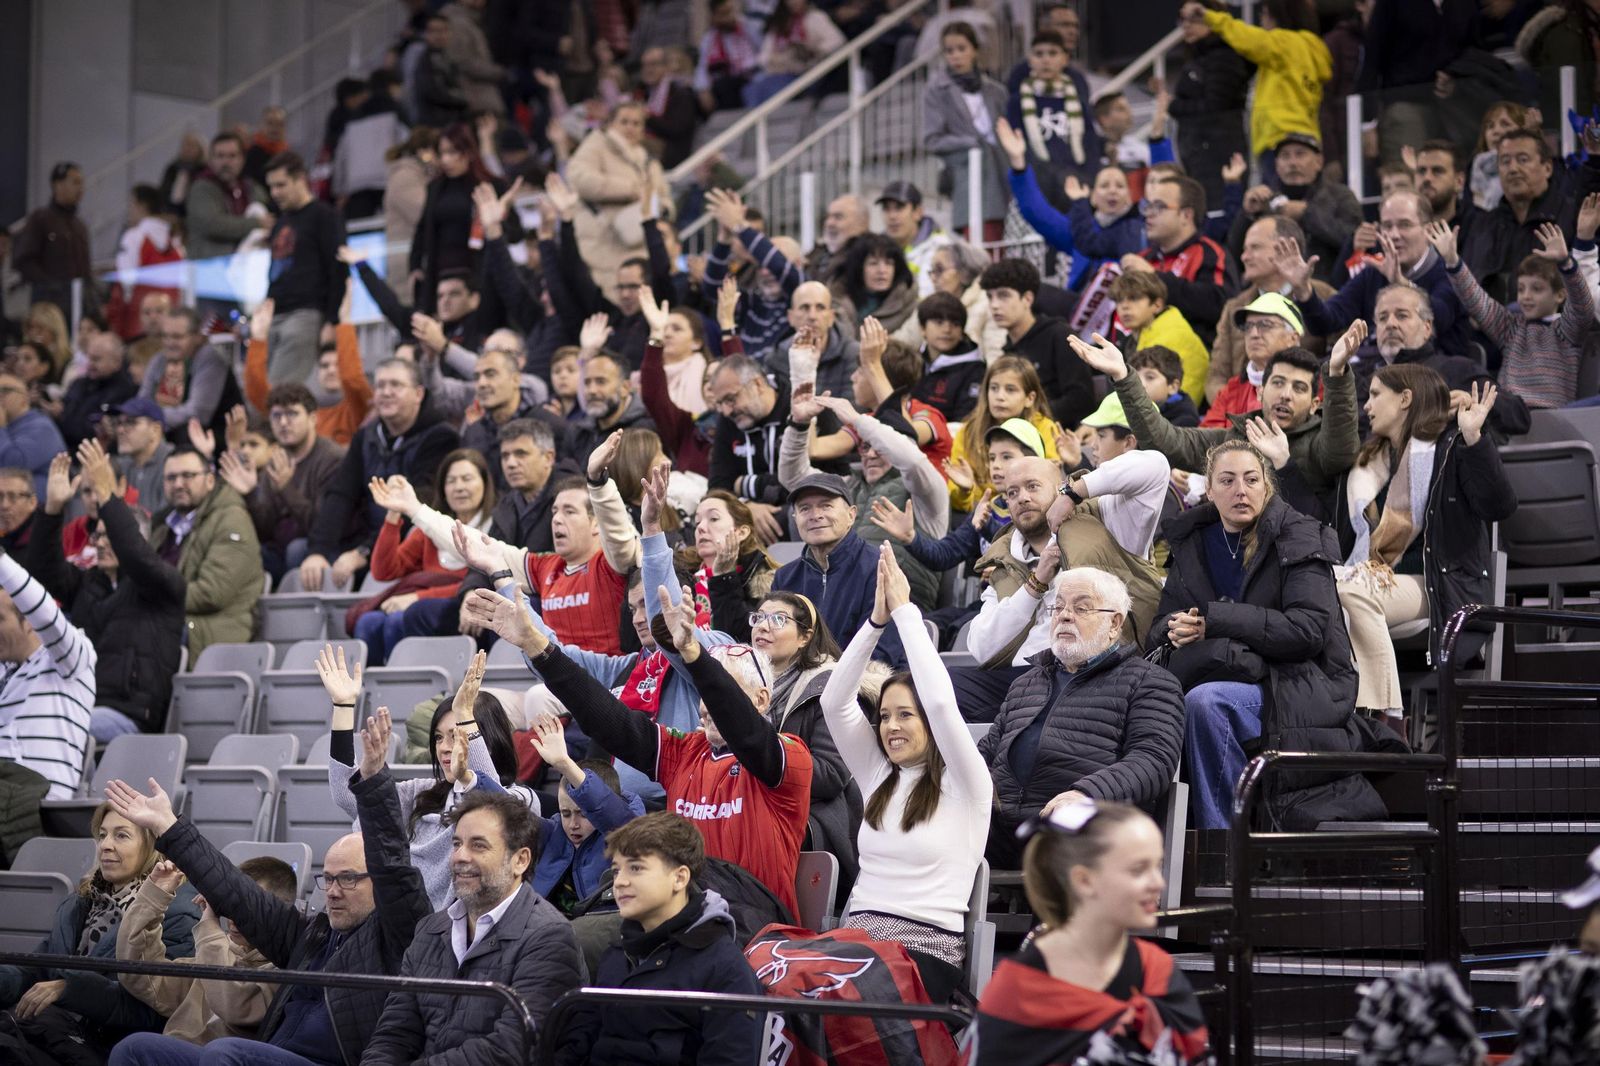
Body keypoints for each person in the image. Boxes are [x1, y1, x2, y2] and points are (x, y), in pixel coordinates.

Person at [462, 574, 815, 918]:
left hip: (752, 921)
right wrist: (538, 648)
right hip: (676, 915)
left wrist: (692, 654)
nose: (707, 705)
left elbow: (745, 730)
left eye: (719, 692)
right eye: (703, 694)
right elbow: (607, 717)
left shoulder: (788, 757)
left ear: (761, 700)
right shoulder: (684, 752)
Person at [101, 714, 433, 1066]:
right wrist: (169, 827)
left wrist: (374, 786)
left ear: (377, 883)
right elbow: (236, 892)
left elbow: (395, 870)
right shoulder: (311, 936)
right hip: (272, 1056)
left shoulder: (400, 936)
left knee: (225, 1053)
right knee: (136, 1049)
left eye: (348, 879)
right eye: (328, 879)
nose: (333, 891)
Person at [1152, 440, 1387, 830]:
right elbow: (1161, 624)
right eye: (1227, 481)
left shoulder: (1298, 535)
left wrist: (1218, 620)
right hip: (1220, 671)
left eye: (1251, 480)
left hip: (1299, 683)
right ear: (1209, 490)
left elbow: (1308, 631)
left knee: (1206, 704)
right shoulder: (1193, 541)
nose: (1240, 490)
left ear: (1267, 486)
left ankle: (1223, 843)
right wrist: (1175, 629)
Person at [820, 546, 991, 1001]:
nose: (891, 726)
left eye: (905, 715)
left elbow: (940, 702)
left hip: (923, 953)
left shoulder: (967, 782)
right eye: (884, 716)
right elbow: (833, 702)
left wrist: (905, 613)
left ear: (930, 723)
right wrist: (876, 622)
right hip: (857, 944)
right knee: (774, 975)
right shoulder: (879, 775)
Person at [1334, 367, 1515, 729]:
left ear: (1405, 399)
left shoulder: (1451, 448)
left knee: (1351, 590)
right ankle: (1339, 717)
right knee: (1320, 589)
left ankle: (1386, 717)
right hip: (1377, 580)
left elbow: (1499, 505)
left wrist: (1474, 438)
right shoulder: (1370, 463)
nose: (1367, 405)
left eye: (1375, 395)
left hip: (1438, 586)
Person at [967, 800, 1210, 1064]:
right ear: (1084, 880)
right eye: (1138, 870)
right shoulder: (1017, 988)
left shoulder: (1158, 970)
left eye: (1157, 866)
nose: (1158, 883)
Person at [977, 568, 1185, 866]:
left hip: (1083, 826)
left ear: (1114, 623)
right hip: (999, 826)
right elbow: (986, 751)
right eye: (1058, 607)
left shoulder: (1150, 682)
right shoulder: (1026, 683)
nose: (1064, 616)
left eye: (1081, 608)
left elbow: (1153, 760)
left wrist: (1086, 794)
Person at [361, 789, 581, 1066]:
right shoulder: (430, 930)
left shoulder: (549, 937)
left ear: (520, 860)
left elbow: (510, 1051)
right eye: (456, 844)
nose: (459, 857)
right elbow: (393, 1034)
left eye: (478, 845)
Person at [1079, 326, 1361, 522]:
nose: (1286, 394)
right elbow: (1165, 440)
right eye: (1278, 383)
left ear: (1314, 404)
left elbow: (1341, 451)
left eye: (1299, 388)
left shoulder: (1320, 442)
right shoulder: (1233, 438)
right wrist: (1123, 376)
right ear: (1260, 392)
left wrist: (1336, 374)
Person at [555, 811, 764, 1066]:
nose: (619, 882)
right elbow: (579, 1043)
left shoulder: (725, 970)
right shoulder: (617, 954)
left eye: (636, 868)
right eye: (616, 870)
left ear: (679, 878)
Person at [0, 803, 200, 1055]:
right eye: (102, 835)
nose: (105, 845)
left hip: (111, 1046)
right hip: (52, 1031)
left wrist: (68, 989)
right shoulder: (81, 902)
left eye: (121, 835)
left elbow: (156, 1010)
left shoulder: (177, 914)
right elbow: (38, 969)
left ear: (154, 846)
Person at [29, 446, 183, 739]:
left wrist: (108, 496)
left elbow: (135, 555)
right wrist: (52, 510)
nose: (100, 543)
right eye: (97, 535)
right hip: (80, 705)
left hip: (129, 715)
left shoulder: (162, 585)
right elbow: (43, 571)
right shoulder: (88, 583)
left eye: (109, 536)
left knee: (53, 731)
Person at [300, 359, 460, 592]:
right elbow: (341, 495)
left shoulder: (442, 438)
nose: (386, 392)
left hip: (413, 543)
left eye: (396, 385)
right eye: (381, 385)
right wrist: (318, 550)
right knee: (301, 554)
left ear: (418, 394)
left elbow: (419, 508)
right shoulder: (366, 436)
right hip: (368, 537)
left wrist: (363, 552)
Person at [110, 856, 296, 1056]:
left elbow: (234, 1005)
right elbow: (140, 976)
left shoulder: (284, 971)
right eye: (231, 904)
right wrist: (154, 897)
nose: (233, 918)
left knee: (134, 1048)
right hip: (175, 1053)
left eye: (246, 907)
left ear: (278, 912)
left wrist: (209, 924)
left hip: (218, 1059)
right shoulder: (218, 953)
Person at [1430, 218, 1595, 409]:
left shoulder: (1566, 330)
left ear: (1559, 295)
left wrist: (1566, 264)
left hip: (1552, 415)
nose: (1526, 296)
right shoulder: (1511, 328)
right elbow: (1477, 301)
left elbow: (1583, 306)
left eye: (1537, 289)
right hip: (1509, 413)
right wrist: (1453, 261)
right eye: (1521, 289)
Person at [0, 517, 97, 807]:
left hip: (42, 805)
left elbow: (44, 610)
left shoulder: (71, 657)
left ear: (30, 622)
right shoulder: (5, 668)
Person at [1180, 0, 1329, 182]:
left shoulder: (1285, 43)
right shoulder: (1311, 49)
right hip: (1306, 136)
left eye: (1264, 14)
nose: (1261, 20)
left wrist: (1209, 16)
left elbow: (1247, 39)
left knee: (1277, 198)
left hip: (1280, 138)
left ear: (1277, 17)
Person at [148, 447, 263, 662]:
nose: (178, 484)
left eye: (188, 476)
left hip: (211, 631)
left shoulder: (232, 519)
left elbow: (211, 593)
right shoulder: (161, 526)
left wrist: (151, 601)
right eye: (171, 478)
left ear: (210, 480)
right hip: (172, 619)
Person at [525, 714, 646, 915]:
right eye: (565, 813)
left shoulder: (625, 832)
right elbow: (506, 814)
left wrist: (565, 764)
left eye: (584, 814)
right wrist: (471, 780)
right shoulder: (553, 831)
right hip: (547, 925)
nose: (573, 824)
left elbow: (613, 815)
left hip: (603, 926)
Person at [229, 381, 346, 581]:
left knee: (296, 549)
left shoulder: (332, 459)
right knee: (237, 550)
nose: (283, 422)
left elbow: (323, 526)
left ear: (313, 418)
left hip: (324, 550)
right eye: (277, 416)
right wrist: (249, 494)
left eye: (292, 414)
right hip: (280, 551)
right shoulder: (275, 461)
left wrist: (286, 489)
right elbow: (265, 531)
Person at [1210, 215, 1334, 403]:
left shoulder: (1325, 296)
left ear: (1287, 248)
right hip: (1239, 411)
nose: (1244, 257)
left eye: (1255, 247)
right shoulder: (1234, 307)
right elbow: (1216, 376)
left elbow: (1341, 364)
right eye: (1244, 249)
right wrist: (1237, 408)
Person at [1458, 128, 1583, 307]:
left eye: (1523, 160)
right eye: (1505, 161)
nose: (1513, 169)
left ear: (1548, 168)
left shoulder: (1574, 217)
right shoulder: (1483, 225)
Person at [566, 103, 674, 302]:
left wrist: (663, 209)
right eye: (624, 122)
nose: (630, 128)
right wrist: (630, 190)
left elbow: (664, 195)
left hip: (640, 244)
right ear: (610, 123)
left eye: (636, 123)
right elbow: (579, 179)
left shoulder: (648, 160)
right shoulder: (596, 145)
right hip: (603, 244)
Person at [1229, 133, 1362, 283]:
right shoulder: (1265, 201)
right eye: (1285, 156)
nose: (1292, 163)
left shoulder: (1340, 196)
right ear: (1277, 165)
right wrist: (1247, 214)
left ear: (1319, 161)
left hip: (1327, 287)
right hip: (1274, 288)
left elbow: (1354, 240)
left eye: (1300, 154)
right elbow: (1234, 255)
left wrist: (1307, 214)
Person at [263, 152, 347, 388]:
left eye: (281, 185)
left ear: (300, 179)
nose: (274, 193)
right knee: (260, 389)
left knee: (277, 391)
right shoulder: (282, 222)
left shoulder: (325, 216)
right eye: (271, 187)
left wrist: (332, 320)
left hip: (305, 314)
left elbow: (338, 269)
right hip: (275, 314)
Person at [1121, 171, 1235, 345]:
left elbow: (1218, 305)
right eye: (1148, 206)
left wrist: (1154, 278)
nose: (1148, 214)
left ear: (1186, 215)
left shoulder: (1210, 253)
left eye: (1159, 206)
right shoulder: (1143, 258)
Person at [981, 258, 1096, 428]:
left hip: (1061, 434)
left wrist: (1027, 418)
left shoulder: (1059, 335)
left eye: (1004, 295)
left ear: (1027, 299)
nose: (994, 305)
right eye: (990, 297)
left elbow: (1081, 398)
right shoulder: (1007, 350)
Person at [925, 22, 1011, 243]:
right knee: (978, 241)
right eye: (949, 50)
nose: (956, 56)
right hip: (967, 175)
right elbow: (932, 140)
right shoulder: (937, 90)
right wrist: (971, 143)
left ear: (975, 50)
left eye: (961, 48)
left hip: (1003, 173)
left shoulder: (996, 91)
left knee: (1007, 238)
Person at [945, 357, 1065, 515]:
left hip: (1030, 510)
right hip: (981, 514)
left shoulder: (1045, 428)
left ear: (1030, 398)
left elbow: (1050, 488)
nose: (1000, 396)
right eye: (994, 388)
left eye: (1010, 389)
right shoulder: (968, 431)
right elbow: (959, 502)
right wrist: (964, 491)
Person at [1170, 1, 1252, 208]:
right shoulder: (1198, 58)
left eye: (1194, 18)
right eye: (1183, 19)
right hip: (1198, 154)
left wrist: (1174, 106)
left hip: (1217, 156)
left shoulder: (1224, 56)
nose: (1186, 25)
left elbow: (1216, 106)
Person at [1004, 30, 1096, 200]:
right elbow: (1019, 145)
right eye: (1039, 54)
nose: (1045, 60)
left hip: (1077, 183)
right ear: (1030, 60)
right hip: (1036, 184)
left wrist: (1088, 179)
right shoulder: (1016, 102)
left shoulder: (1078, 100)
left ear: (1065, 59)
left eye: (1053, 53)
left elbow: (1090, 144)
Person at [140, 306, 243, 441]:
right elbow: (142, 400)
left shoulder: (209, 358)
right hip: (166, 427)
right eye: (165, 336)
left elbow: (198, 414)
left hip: (215, 437)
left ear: (197, 337)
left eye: (177, 337)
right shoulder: (160, 359)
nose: (169, 343)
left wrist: (150, 415)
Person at [895, 242, 1007, 366]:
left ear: (963, 272)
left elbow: (996, 360)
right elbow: (902, 342)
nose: (933, 278)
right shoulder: (930, 304)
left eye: (939, 270)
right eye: (932, 271)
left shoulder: (988, 305)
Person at [1203, 292, 1306, 427]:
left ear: (1293, 338)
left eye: (1265, 325)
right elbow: (1206, 435)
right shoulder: (1231, 390)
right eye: (1248, 326)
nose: (1254, 334)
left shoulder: (1313, 387)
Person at [1110, 271, 1209, 409]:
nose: (1124, 306)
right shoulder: (1135, 338)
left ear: (1157, 305)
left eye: (1134, 298)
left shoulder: (1171, 335)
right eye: (1119, 300)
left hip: (1172, 417)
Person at [12, 162, 91, 314]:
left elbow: (85, 271)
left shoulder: (80, 226)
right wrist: (50, 286)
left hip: (76, 305)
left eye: (81, 183)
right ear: (58, 185)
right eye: (75, 182)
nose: (81, 188)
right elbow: (23, 260)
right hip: (48, 307)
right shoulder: (40, 219)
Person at [184, 134, 272, 268]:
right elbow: (213, 224)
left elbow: (269, 214)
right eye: (220, 156)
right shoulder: (201, 188)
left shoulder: (251, 187)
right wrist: (257, 223)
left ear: (242, 159)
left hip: (244, 267)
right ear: (211, 159)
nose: (226, 162)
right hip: (209, 267)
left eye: (232, 156)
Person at [746, 0, 847, 106]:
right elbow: (763, 57)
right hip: (780, 71)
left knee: (775, 88)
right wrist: (779, 58)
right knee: (751, 90)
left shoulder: (816, 17)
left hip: (807, 72)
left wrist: (812, 50)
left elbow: (837, 40)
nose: (793, 2)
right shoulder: (779, 22)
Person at [60, 331, 139, 450]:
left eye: (96, 359)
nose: (90, 364)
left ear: (117, 361)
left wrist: (65, 420)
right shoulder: (79, 384)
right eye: (89, 358)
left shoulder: (126, 391)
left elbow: (93, 432)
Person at [831, 234, 921, 336]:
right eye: (873, 263)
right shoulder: (836, 301)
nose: (882, 271)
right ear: (858, 268)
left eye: (889, 263)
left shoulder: (909, 305)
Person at [878, 181, 952, 298]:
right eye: (886, 209)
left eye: (899, 208)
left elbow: (927, 295)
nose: (892, 216)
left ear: (918, 212)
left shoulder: (939, 247)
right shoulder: (876, 248)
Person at [0, 370, 66, 499]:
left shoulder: (41, 427)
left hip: (37, 504)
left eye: (5, 390)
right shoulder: (8, 427)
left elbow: (12, 467)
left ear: (24, 398)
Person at [694, 0, 762, 112]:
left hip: (753, 76)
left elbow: (764, 51)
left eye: (730, 11)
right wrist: (703, 89)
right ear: (714, 17)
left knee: (726, 86)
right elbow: (702, 68)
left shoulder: (748, 27)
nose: (729, 17)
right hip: (728, 80)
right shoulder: (710, 39)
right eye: (723, 14)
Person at [1131, 347, 1201, 427]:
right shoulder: (1128, 404)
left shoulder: (1185, 420)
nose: (1139, 383)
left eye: (1150, 377)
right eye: (1134, 377)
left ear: (1173, 387)